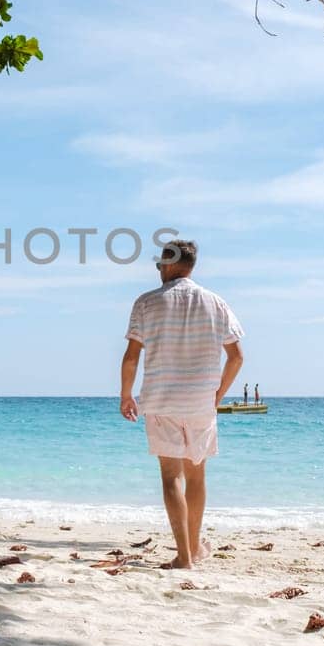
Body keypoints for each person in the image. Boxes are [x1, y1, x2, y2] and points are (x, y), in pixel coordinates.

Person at [119, 240, 244, 568]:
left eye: (160, 263)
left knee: (171, 475)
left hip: (161, 399)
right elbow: (236, 357)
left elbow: (132, 356)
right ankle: (193, 549)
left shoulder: (146, 303)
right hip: (201, 400)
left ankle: (184, 557)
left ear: (170, 264)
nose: (158, 269)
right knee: (196, 476)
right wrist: (218, 395)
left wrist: (125, 394)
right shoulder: (215, 302)